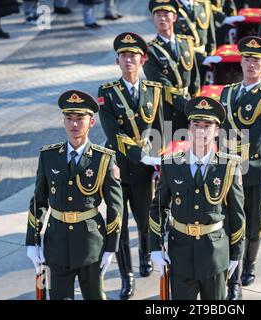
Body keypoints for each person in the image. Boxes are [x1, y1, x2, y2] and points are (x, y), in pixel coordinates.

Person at [25, 90, 123, 300]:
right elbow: (39, 201)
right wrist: (32, 241)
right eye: (69, 118)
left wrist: (111, 247)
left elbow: (116, 205)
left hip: (91, 244)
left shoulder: (103, 158)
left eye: (80, 119)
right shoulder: (48, 156)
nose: (74, 124)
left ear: (91, 122)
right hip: (57, 241)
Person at [150, 96, 246, 300]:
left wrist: (236, 255)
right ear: (189, 128)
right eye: (196, 125)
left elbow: (237, 214)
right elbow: (158, 207)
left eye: (207, 125)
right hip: (181, 252)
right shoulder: (170, 163)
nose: (201, 131)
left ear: (217, 130)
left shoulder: (228, 166)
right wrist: (154, 247)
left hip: (214, 254)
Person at [98, 32, 164, 300]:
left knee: (145, 219)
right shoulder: (107, 92)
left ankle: (146, 254)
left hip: (145, 170)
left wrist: (158, 162)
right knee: (120, 224)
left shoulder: (154, 91)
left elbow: (159, 130)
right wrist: (141, 154)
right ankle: (126, 275)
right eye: (123, 56)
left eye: (133, 56)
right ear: (117, 61)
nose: (128, 60)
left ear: (142, 59)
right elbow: (112, 131)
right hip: (117, 167)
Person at [219, 36, 261, 299]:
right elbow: (219, 129)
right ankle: (232, 277)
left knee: (253, 223)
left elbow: (256, 140)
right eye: (247, 59)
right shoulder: (227, 92)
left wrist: (228, 156)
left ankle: (249, 264)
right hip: (227, 169)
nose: (251, 64)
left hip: (253, 169)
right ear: (241, 61)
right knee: (229, 222)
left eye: (256, 60)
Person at [144, 0, 200, 136]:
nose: (162, 18)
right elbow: (163, 85)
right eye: (158, 15)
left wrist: (195, 101)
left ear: (174, 17)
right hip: (168, 109)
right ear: (153, 19)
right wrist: (189, 107)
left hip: (188, 103)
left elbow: (194, 77)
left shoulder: (187, 42)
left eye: (166, 14)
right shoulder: (150, 50)